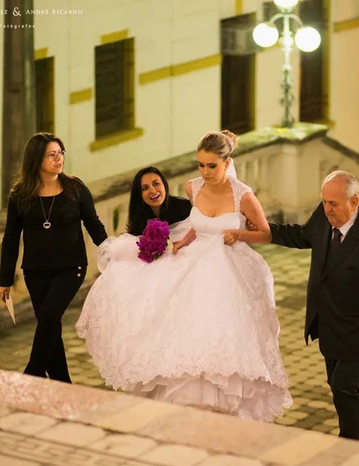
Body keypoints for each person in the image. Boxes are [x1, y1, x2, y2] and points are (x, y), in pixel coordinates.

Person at [76, 130, 292, 422]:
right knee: (185, 328)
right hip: (195, 264)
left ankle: (224, 400)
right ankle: (192, 403)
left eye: (211, 165)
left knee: (222, 332)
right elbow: (197, 224)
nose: (205, 171)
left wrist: (239, 233)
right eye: (201, 165)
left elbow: (265, 233)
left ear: (227, 162)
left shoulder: (244, 195)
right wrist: (182, 242)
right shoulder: (194, 188)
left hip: (229, 269)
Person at [236, 171, 359, 441]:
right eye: (324, 202)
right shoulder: (324, 214)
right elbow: (304, 235)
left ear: (354, 202)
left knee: (345, 384)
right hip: (332, 321)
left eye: (334, 204)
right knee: (337, 383)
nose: (327, 209)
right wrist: (264, 231)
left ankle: (352, 444)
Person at [0, 132, 108, 383]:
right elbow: (11, 238)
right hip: (35, 271)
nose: (59, 159)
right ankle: (63, 385)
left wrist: (114, 253)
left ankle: (31, 374)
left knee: (48, 318)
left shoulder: (75, 188)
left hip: (71, 268)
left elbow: (94, 224)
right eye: (52, 155)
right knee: (51, 327)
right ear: (37, 160)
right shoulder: (20, 195)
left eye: (61, 153)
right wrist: (5, 278)